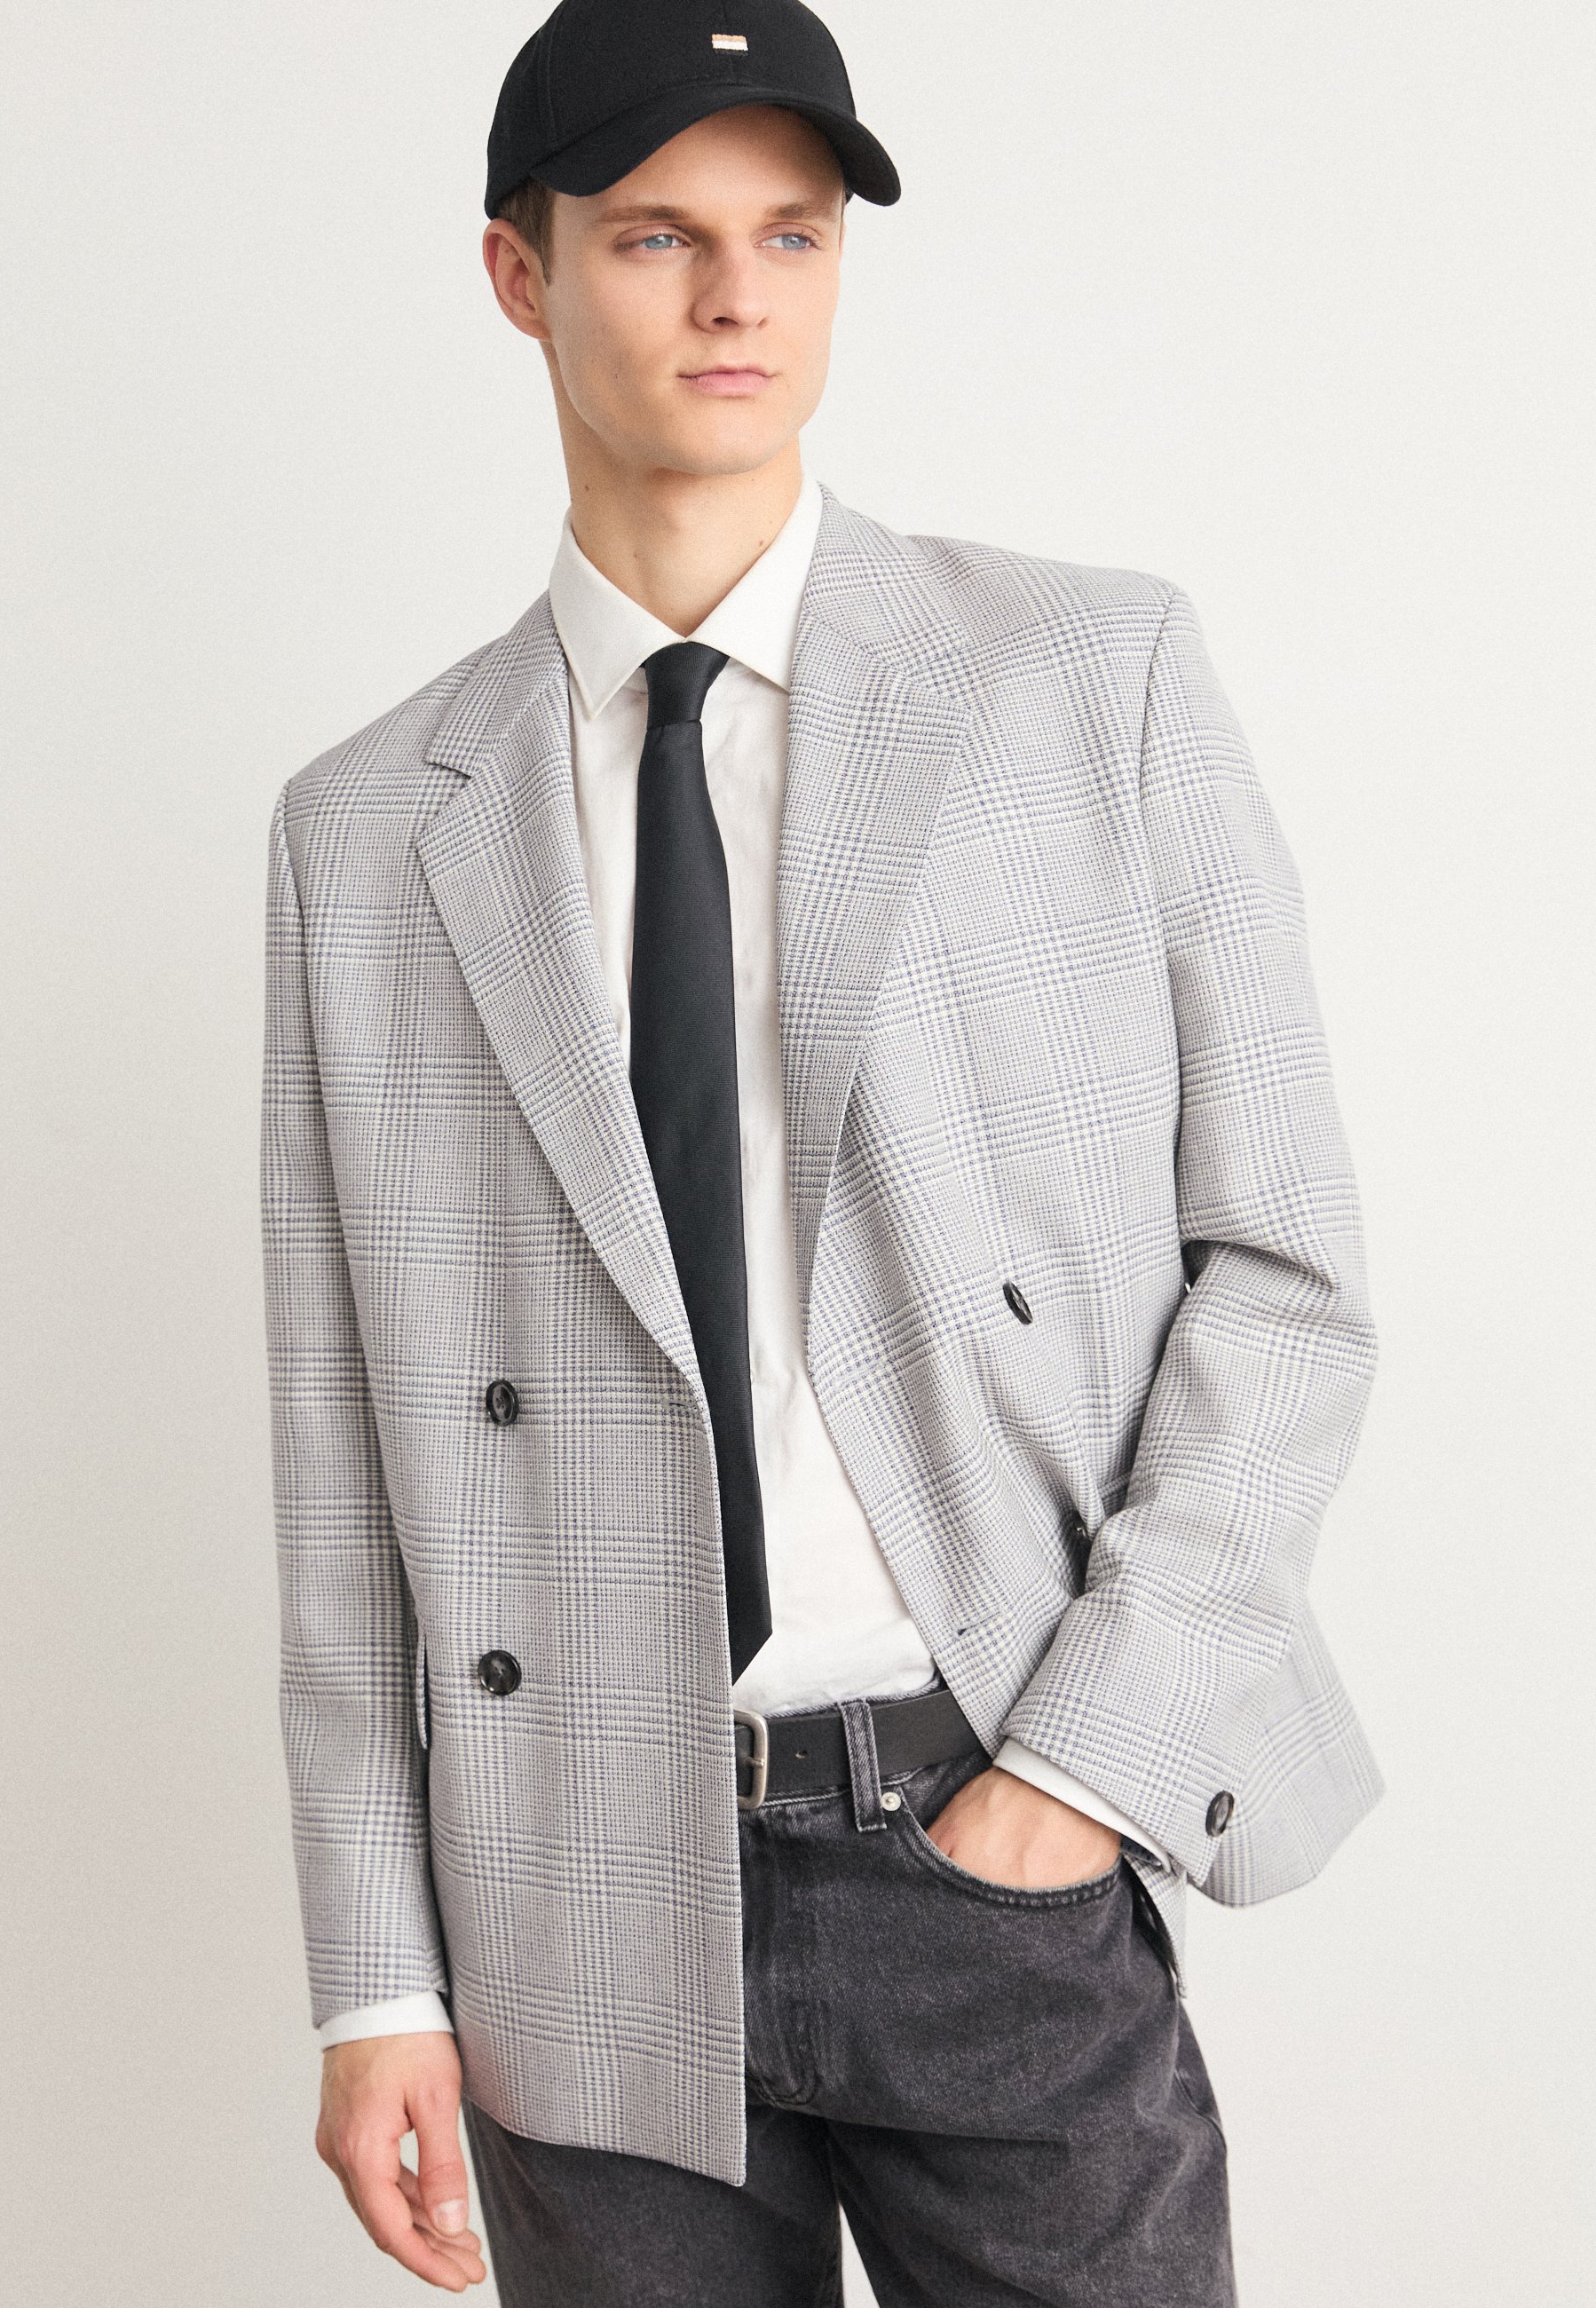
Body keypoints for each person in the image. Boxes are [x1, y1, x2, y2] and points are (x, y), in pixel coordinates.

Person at [261, 2, 1381, 2299]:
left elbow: (1285, 1276)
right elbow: (344, 1447)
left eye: (791, 234)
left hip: (991, 1825)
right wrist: (376, 1977)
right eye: (656, 235)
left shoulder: (1086, 679)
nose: (735, 297)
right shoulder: (367, 829)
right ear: (519, 273)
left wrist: (1070, 1778)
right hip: (579, 1895)